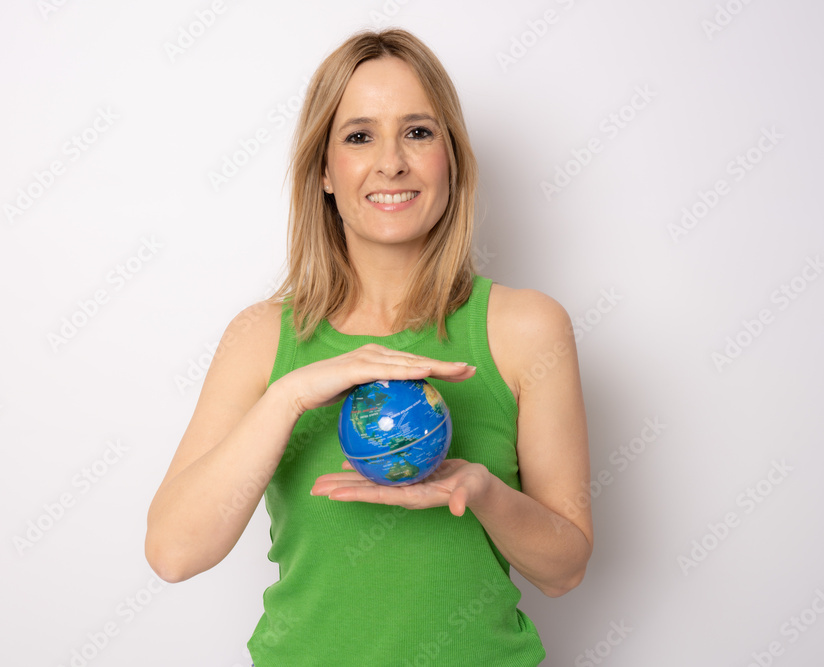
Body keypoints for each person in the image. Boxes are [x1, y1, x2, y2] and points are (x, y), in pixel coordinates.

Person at [146, 28, 592, 666]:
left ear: (451, 159)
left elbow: (564, 570)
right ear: (324, 172)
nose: (391, 163)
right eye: (359, 136)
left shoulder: (526, 328)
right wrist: (292, 393)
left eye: (418, 132)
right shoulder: (261, 338)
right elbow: (173, 553)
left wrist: (481, 490)